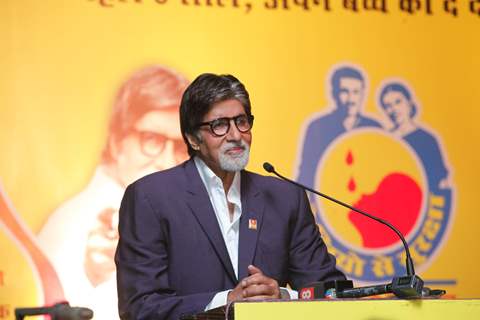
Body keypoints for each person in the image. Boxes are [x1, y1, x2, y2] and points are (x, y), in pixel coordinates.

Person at [115, 73, 346, 320]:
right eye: (219, 125)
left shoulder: (285, 197)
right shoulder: (150, 198)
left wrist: (283, 298)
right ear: (193, 138)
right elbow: (140, 307)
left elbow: (332, 292)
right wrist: (226, 302)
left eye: (241, 121)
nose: (236, 135)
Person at [37, 65, 189, 319]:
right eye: (151, 139)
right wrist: (95, 276)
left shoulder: (160, 215)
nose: (167, 161)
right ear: (117, 141)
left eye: (180, 146)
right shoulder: (79, 227)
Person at [296, 66, 381, 188]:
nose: (351, 99)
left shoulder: (374, 128)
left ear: (363, 94)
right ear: (334, 94)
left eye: (356, 92)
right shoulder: (318, 127)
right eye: (345, 91)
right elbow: (306, 173)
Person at [378, 81, 450, 190]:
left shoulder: (427, 140)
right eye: (388, 106)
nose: (394, 109)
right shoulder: (385, 140)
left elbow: (441, 182)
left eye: (398, 102)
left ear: (409, 103)